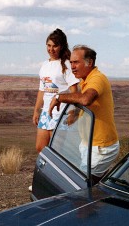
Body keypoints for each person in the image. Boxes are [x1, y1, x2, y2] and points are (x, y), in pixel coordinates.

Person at [49, 44, 119, 182]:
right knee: (96, 185)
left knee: (82, 185)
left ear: (90, 62)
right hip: (90, 144)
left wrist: (59, 97)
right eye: (71, 62)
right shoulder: (86, 80)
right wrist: (75, 113)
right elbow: (87, 102)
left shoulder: (97, 78)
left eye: (76, 62)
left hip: (100, 147)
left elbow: (86, 99)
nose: (72, 66)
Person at [33, 29, 79, 153]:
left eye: (55, 46)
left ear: (62, 46)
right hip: (46, 113)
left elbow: (75, 91)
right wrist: (36, 111)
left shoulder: (66, 64)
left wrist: (72, 112)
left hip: (61, 113)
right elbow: (42, 90)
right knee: (40, 147)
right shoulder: (45, 64)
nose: (51, 49)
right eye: (48, 45)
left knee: (56, 151)